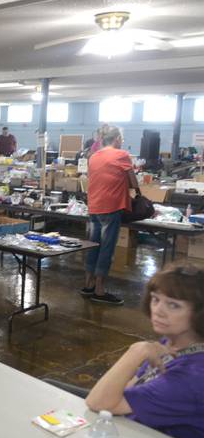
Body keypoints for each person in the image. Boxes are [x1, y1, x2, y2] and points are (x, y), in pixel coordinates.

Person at [85, 263, 204, 438]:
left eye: (173, 305)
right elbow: (134, 382)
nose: (158, 310)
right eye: (155, 299)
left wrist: (137, 351)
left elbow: (97, 402)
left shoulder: (192, 377)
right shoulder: (174, 341)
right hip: (133, 425)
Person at [82, 125, 138, 305]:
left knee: (93, 246)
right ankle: (99, 289)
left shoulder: (93, 156)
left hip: (94, 206)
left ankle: (88, 284)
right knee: (106, 248)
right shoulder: (121, 155)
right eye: (121, 138)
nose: (121, 141)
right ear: (116, 139)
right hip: (111, 206)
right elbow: (133, 181)